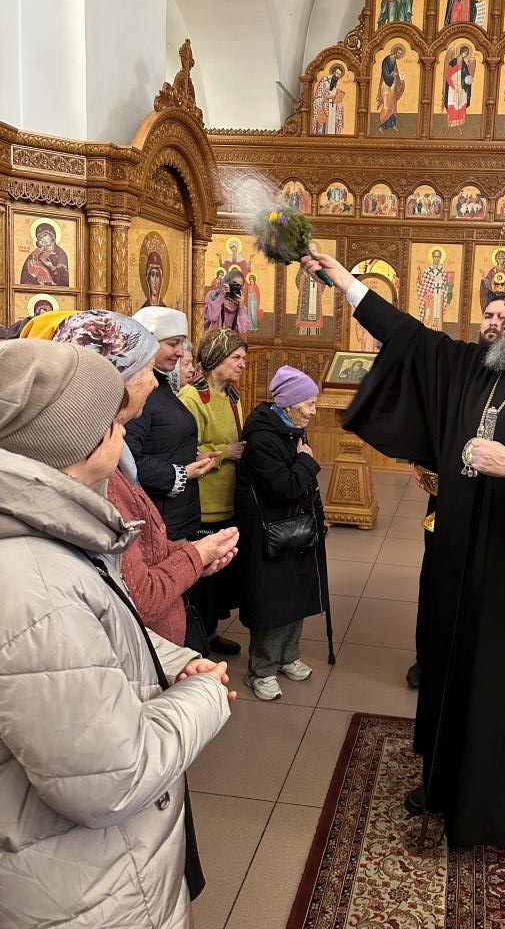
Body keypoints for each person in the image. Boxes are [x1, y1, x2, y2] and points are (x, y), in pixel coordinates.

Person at [301, 246, 505, 852]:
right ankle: (446, 781)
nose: (502, 311)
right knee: (449, 666)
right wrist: (344, 281)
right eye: (503, 301)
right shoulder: (479, 366)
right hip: (455, 558)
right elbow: (408, 336)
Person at [0, 337, 234, 928]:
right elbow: (113, 777)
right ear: (75, 440)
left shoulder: (49, 530)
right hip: (82, 889)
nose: (126, 432)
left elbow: (96, 630)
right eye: (112, 423)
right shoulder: (34, 583)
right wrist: (205, 695)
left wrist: (170, 660)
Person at [51, 309, 240, 648]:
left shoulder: (109, 458)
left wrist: (188, 554)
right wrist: (194, 556)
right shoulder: (96, 474)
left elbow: (144, 554)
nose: (152, 381)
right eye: (143, 370)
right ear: (114, 380)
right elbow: (140, 593)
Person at [406, 298, 505, 690]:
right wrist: (420, 458)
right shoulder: (462, 366)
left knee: (484, 584)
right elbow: (431, 411)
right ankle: (427, 659)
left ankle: (475, 661)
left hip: (496, 499)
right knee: (436, 577)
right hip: (449, 495)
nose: (494, 323)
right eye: (488, 315)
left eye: (502, 317)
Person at [235, 366, 330, 701]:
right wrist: (307, 461)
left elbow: (304, 487)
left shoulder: (293, 430)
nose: (313, 411)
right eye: (309, 404)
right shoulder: (263, 439)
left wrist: (319, 518)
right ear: (289, 404)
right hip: (268, 532)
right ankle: (261, 670)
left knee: (296, 593)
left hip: (296, 527)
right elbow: (284, 488)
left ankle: (288, 656)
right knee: (272, 601)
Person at [180, 328, 248, 654]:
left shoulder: (232, 396)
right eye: (236, 357)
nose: (242, 364)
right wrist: (225, 453)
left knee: (220, 575)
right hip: (203, 502)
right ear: (216, 358)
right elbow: (186, 451)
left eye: (243, 358)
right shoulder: (192, 398)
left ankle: (209, 631)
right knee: (201, 578)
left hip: (227, 497)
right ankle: (194, 641)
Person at [127, 307, 218, 542]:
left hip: (176, 514)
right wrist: (183, 473)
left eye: (181, 344)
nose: (180, 352)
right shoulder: (138, 390)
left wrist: (193, 458)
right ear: (148, 342)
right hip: (157, 519)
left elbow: (162, 441)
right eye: (172, 343)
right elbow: (128, 459)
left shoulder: (162, 385)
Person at [20, 221, 70, 286]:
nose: (43, 238)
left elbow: (64, 282)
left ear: (53, 236)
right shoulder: (36, 253)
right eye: (40, 237)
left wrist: (52, 268)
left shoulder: (61, 254)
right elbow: (25, 277)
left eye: (45, 235)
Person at [377, 44, 406, 131]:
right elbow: (385, 74)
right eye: (398, 53)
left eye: (400, 54)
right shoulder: (387, 60)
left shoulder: (394, 61)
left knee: (393, 105)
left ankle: (393, 124)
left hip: (392, 85)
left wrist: (401, 81)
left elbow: (395, 73)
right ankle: (382, 125)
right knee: (387, 105)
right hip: (386, 85)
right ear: (395, 52)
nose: (399, 55)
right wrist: (393, 74)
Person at [311, 64, 346, 134]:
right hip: (322, 99)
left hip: (331, 101)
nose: (338, 76)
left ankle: (335, 132)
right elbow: (321, 92)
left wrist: (337, 96)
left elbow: (333, 92)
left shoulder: (336, 81)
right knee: (318, 103)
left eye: (339, 75)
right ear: (333, 72)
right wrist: (327, 97)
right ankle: (319, 132)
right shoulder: (325, 79)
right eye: (337, 73)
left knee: (340, 106)